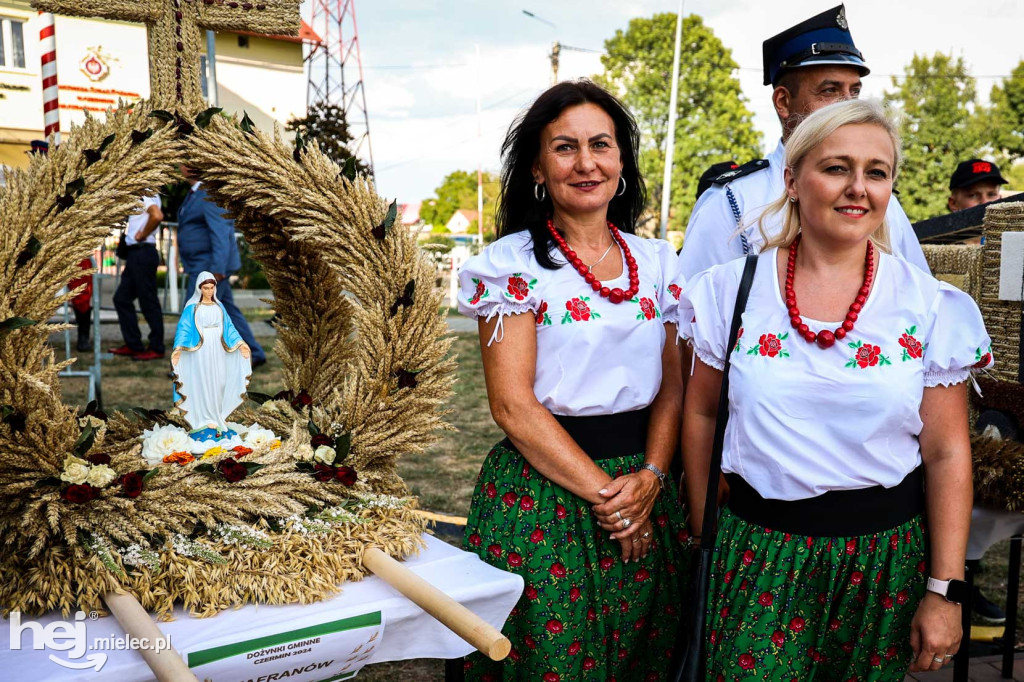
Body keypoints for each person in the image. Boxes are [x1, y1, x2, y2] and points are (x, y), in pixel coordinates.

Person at [677, 99, 991, 678]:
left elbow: (947, 453)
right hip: (758, 553)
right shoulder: (726, 293)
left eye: (877, 172)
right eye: (836, 167)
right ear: (793, 180)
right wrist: (704, 532)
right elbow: (698, 417)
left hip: (883, 564)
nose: (858, 188)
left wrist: (944, 589)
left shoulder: (930, 307)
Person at [456, 79, 687, 680]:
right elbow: (511, 406)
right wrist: (613, 502)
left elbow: (673, 388)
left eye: (601, 145)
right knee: (551, 663)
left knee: (644, 654)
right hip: (545, 495)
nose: (586, 163)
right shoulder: (510, 267)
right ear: (537, 166)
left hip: (646, 485)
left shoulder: (661, 263)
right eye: (564, 147)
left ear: (621, 162)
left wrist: (654, 477)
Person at [679, 4, 929, 282]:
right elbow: (695, 312)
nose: (847, 105)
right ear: (783, 102)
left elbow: (918, 295)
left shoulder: (877, 199)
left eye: (854, 92)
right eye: (830, 91)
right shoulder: (733, 200)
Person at [177, 167, 266, 368]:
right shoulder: (195, 193)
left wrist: (216, 271)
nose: (179, 166)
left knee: (193, 313)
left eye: (184, 161)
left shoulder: (209, 193)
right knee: (229, 312)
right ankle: (254, 352)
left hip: (208, 268)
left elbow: (220, 233)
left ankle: (187, 364)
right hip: (200, 265)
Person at [172, 271, 251, 438]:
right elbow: (184, 329)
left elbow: (229, 327)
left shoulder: (219, 306)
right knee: (204, 381)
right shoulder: (192, 308)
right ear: (199, 289)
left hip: (218, 349)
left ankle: (218, 416)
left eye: (211, 287)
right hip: (201, 352)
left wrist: (241, 344)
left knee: (220, 381)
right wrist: (178, 349)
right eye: (205, 288)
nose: (209, 291)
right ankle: (206, 420)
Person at [110, 195, 165, 360]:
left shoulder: (145, 192)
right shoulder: (149, 192)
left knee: (148, 301)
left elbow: (157, 215)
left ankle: (156, 347)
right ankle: (134, 344)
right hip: (138, 254)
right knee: (122, 298)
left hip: (142, 251)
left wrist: (142, 234)